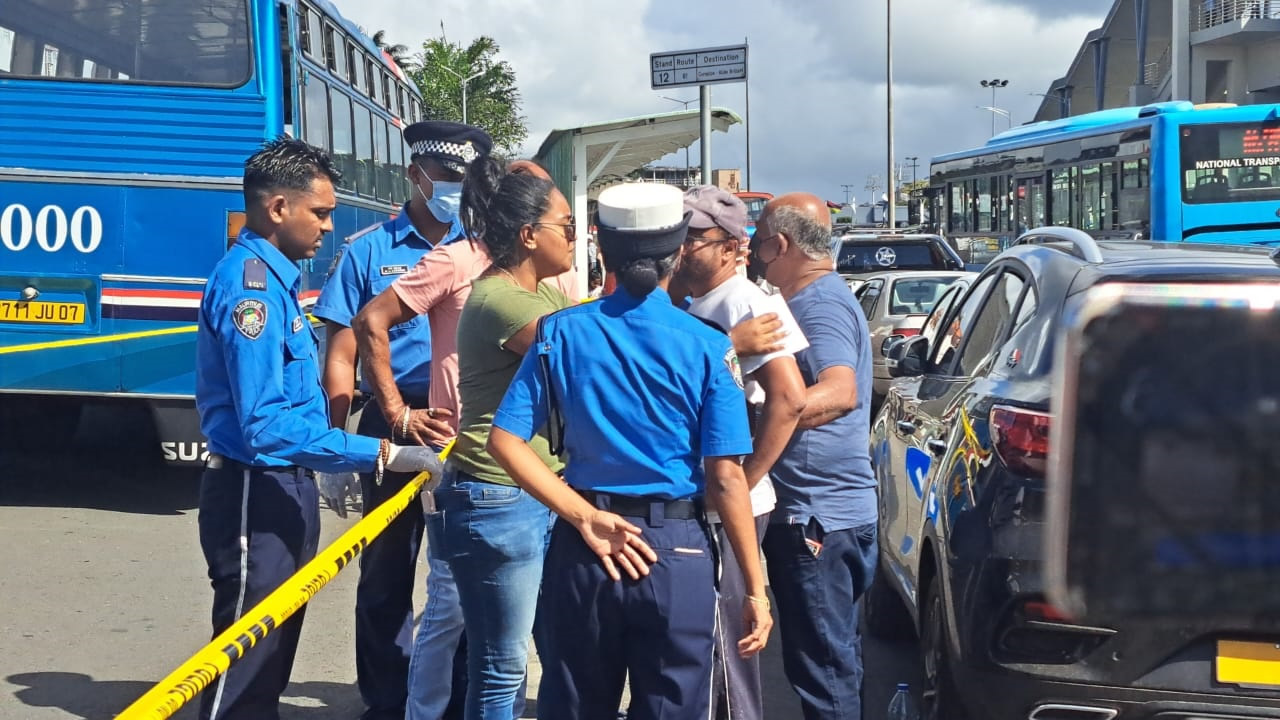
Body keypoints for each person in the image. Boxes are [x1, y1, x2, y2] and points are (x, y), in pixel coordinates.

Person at [488, 182, 774, 720]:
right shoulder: (710, 344)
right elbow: (728, 479)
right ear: (677, 253)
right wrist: (756, 588)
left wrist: (583, 515)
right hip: (678, 548)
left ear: (602, 251)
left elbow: (504, 440)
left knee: (575, 703)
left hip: (586, 543)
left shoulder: (559, 334)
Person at [194, 137, 440, 720]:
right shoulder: (248, 288)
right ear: (278, 208)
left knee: (271, 654)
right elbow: (263, 425)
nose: (328, 227)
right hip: (257, 487)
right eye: (320, 213)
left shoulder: (276, 283)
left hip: (285, 486)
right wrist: (381, 452)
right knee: (245, 662)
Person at [311, 120, 490, 720]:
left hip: (463, 430)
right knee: (387, 570)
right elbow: (341, 353)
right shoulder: (368, 251)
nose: (455, 192)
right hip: (392, 424)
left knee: (466, 571)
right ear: (416, 173)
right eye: (445, 179)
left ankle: (458, 695)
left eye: (465, 183)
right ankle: (388, 700)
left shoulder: (486, 249)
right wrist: (334, 446)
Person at [430, 156, 575, 720]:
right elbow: (588, 354)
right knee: (501, 667)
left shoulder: (543, 296)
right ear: (527, 235)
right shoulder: (501, 301)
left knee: (534, 654)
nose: (572, 236)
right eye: (564, 226)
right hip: (497, 497)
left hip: (530, 493)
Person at [676, 186, 808, 720]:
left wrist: (743, 481)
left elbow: (790, 398)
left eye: (694, 239)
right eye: (676, 236)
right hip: (711, 500)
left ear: (732, 246)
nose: (681, 249)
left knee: (727, 657)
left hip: (729, 504)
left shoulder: (742, 300)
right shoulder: (698, 304)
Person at [748, 193, 877, 720]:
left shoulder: (817, 303)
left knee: (823, 671)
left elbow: (839, 391)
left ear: (780, 244)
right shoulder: (818, 296)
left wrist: (763, 435)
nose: (753, 253)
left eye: (757, 243)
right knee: (833, 662)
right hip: (831, 512)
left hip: (815, 517)